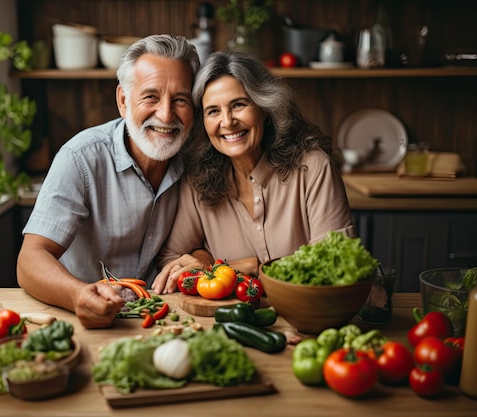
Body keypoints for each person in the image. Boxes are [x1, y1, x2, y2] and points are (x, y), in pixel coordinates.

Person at [17, 34, 200, 328]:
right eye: (150, 96)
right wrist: (79, 296)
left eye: (180, 100)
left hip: (162, 318)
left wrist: (198, 259)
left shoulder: (197, 159)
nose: (166, 114)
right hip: (83, 316)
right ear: (123, 101)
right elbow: (29, 260)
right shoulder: (81, 156)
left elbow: (202, 244)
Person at [152, 50, 355, 294]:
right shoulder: (198, 179)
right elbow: (171, 260)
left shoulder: (312, 167)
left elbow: (336, 265)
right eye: (213, 111)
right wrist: (205, 261)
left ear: (264, 107)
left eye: (238, 105)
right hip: (228, 324)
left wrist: (248, 269)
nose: (227, 122)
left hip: (306, 320)